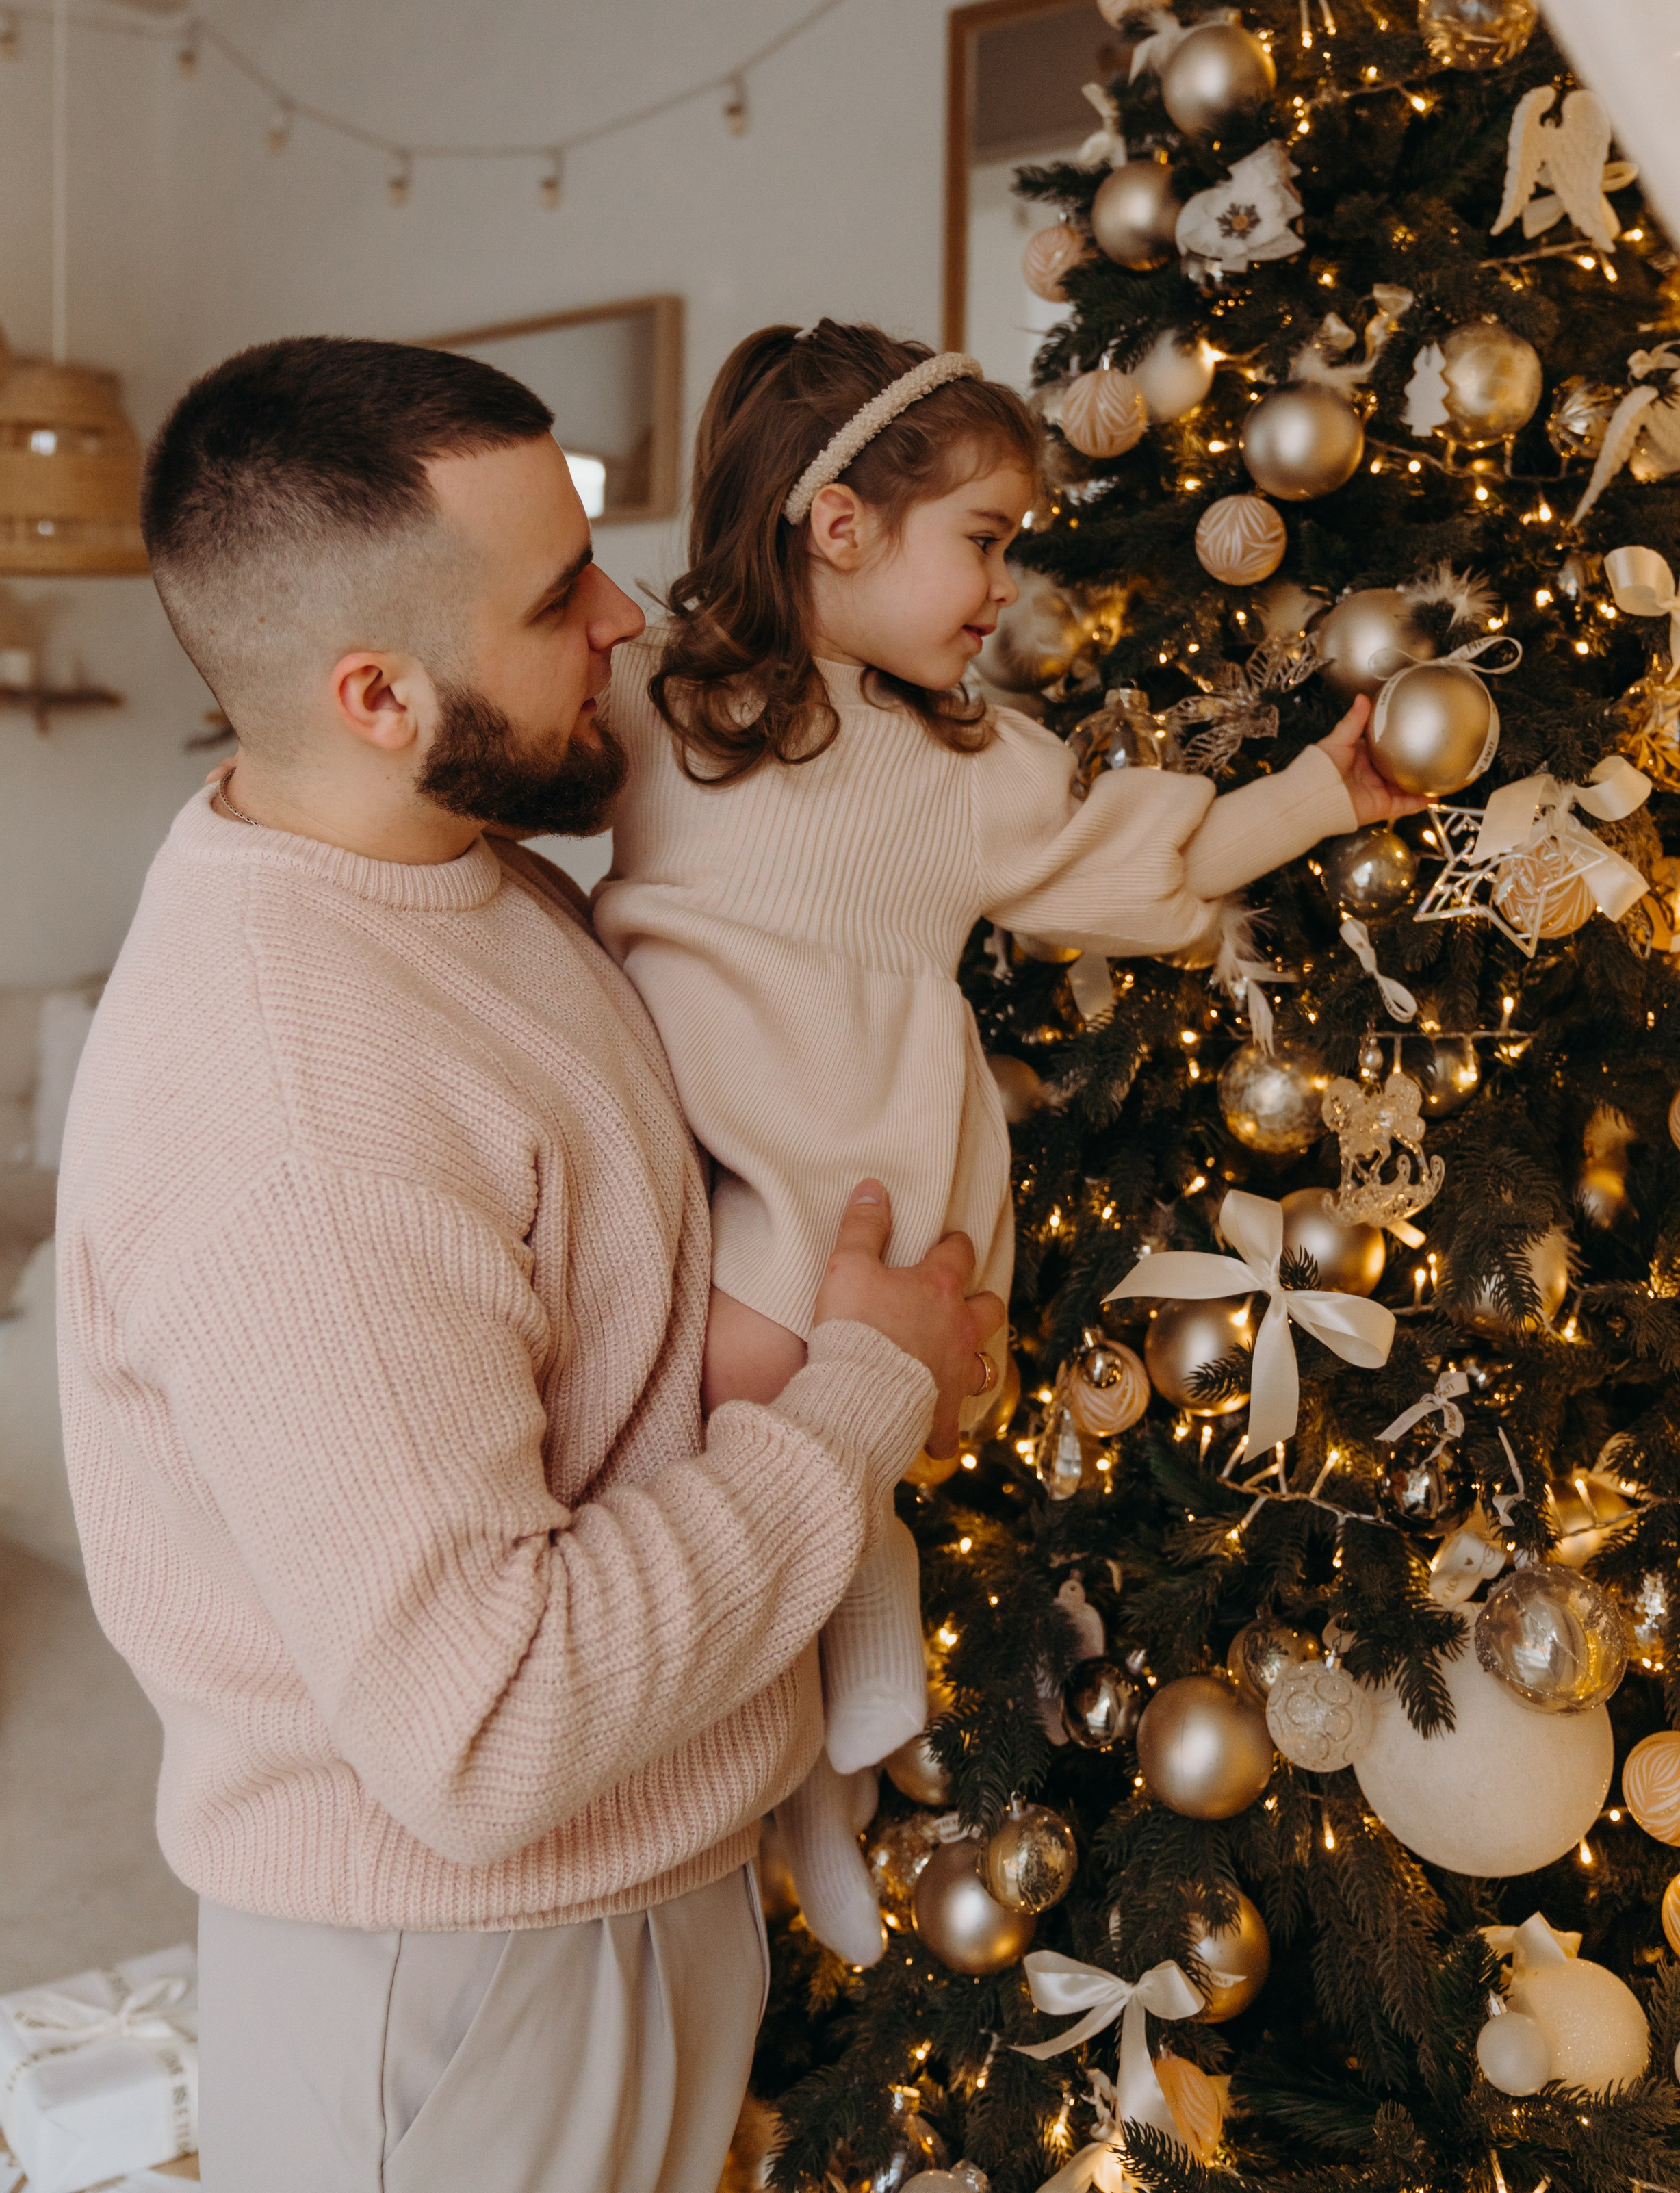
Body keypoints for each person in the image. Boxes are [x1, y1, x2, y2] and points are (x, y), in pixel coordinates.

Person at [56, 335, 996, 2193]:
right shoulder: (297, 1107)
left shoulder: (469, 873)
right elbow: (485, 1725)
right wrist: (861, 1396)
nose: (628, 618)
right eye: (561, 591)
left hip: (629, 1898)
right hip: (456, 1981)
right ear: (380, 694)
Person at [592, 321, 1424, 1963]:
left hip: (852, 1186)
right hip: (703, 1168)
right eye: (977, 540)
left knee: (802, 1473)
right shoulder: (650, 693)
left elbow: (1143, 864)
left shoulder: (964, 763)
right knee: (734, 1497)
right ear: (836, 525)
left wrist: (1320, 797)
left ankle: (816, 1806)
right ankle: (802, 1792)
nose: (998, 586)